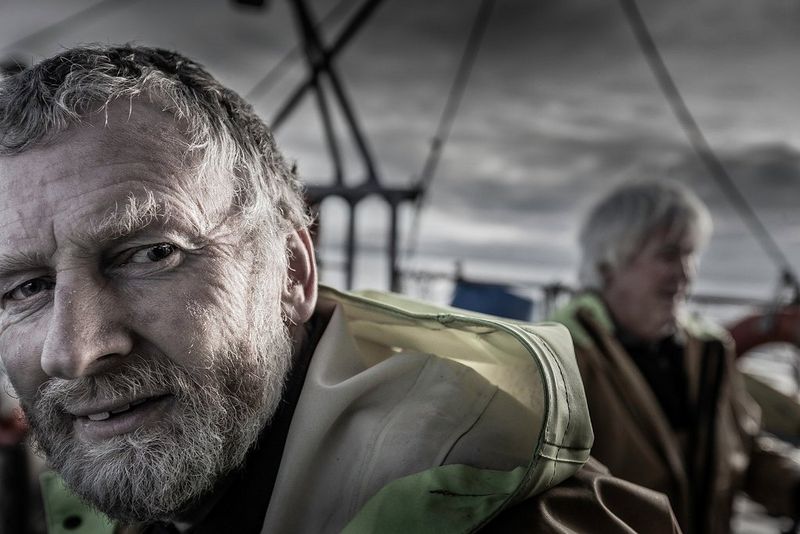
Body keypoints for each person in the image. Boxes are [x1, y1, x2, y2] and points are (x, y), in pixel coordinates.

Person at [0, 45, 680, 534]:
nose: (75, 350)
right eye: (24, 287)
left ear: (291, 275)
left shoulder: (506, 511)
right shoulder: (97, 476)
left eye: (151, 254)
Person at [550, 179, 800, 534]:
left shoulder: (711, 349)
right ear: (609, 264)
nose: (687, 273)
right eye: (669, 254)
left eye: (691, 253)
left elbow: (745, 448)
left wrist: (792, 486)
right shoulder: (561, 358)